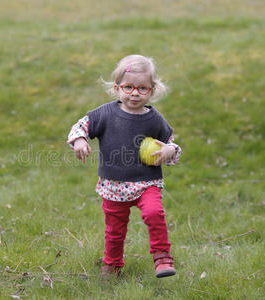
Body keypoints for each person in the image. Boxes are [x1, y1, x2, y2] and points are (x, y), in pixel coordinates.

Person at [67, 55, 182, 279]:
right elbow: (80, 126)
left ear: (151, 90)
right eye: (128, 87)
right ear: (117, 88)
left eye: (142, 88)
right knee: (115, 230)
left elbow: (171, 144)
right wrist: (80, 140)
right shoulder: (105, 114)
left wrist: (169, 151)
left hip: (146, 182)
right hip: (113, 184)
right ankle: (112, 265)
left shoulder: (154, 119)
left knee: (154, 212)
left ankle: (162, 257)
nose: (135, 93)